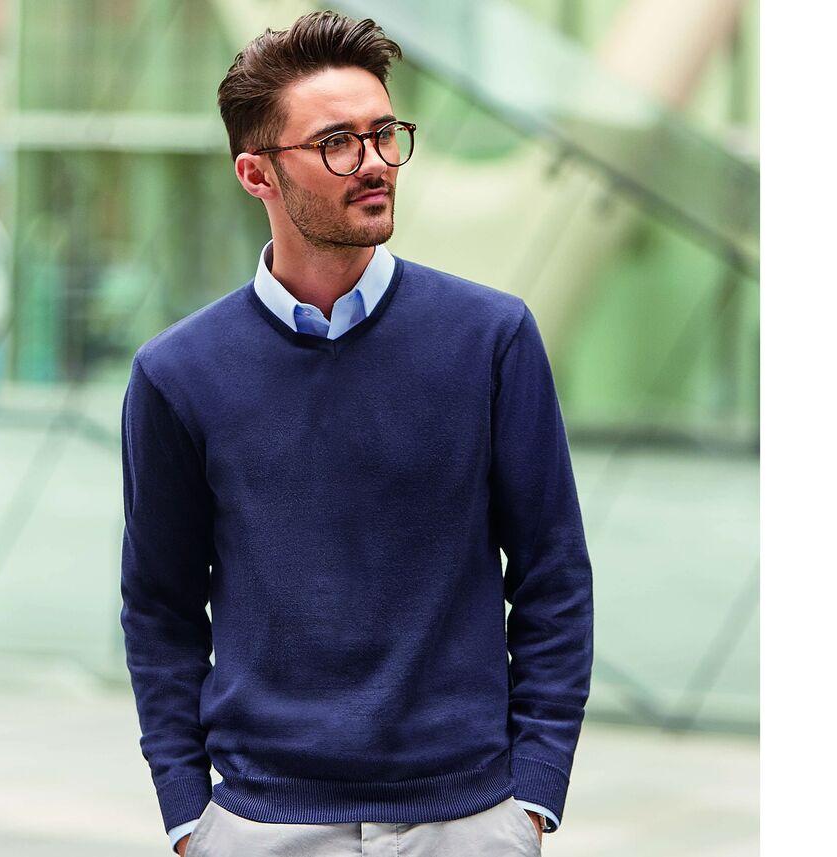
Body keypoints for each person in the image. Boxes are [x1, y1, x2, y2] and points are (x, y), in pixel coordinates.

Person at [119, 11, 593, 856]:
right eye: (337, 142)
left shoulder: (492, 339)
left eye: (384, 134)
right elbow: (160, 606)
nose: (374, 161)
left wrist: (534, 793)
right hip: (261, 824)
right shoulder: (177, 373)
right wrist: (189, 813)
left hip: (469, 820)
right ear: (256, 173)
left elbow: (553, 576)